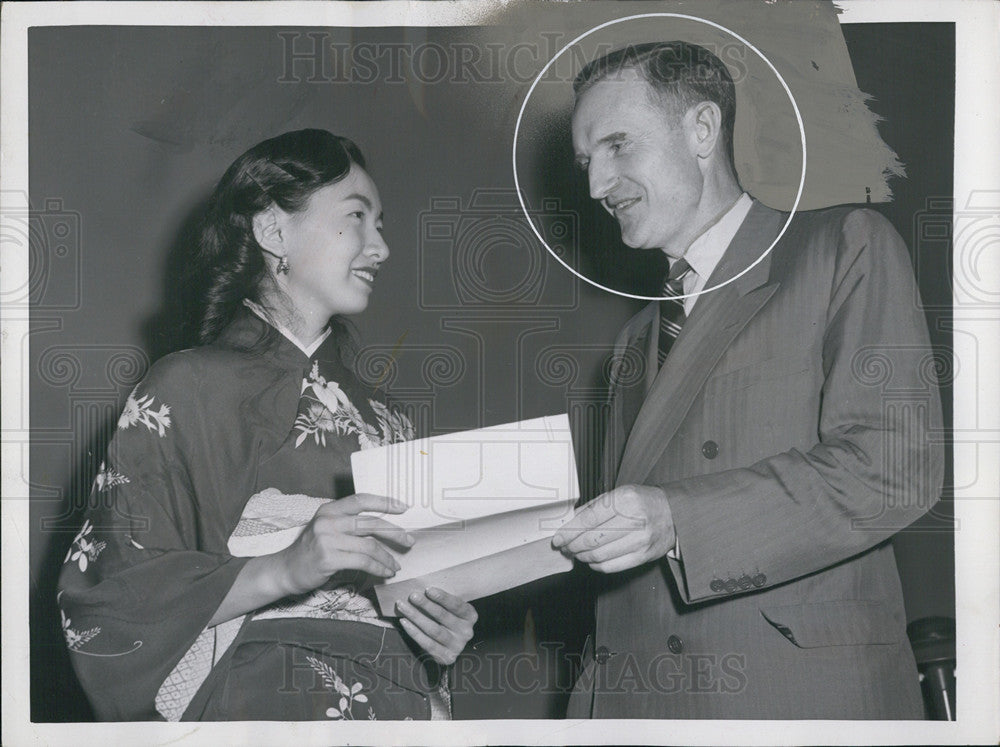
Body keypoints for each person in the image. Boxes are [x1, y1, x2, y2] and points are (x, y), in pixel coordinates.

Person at [552, 42, 944, 718]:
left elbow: (894, 467)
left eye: (618, 146)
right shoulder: (632, 342)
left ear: (702, 130)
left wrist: (678, 518)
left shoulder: (844, 244)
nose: (595, 186)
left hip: (791, 701)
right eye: (588, 162)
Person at [56, 129, 477, 721]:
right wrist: (286, 567)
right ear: (272, 230)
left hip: (392, 702)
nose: (379, 247)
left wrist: (436, 633)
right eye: (357, 216)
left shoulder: (390, 417)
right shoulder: (185, 385)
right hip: (262, 701)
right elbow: (108, 594)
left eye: (379, 224)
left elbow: (404, 596)